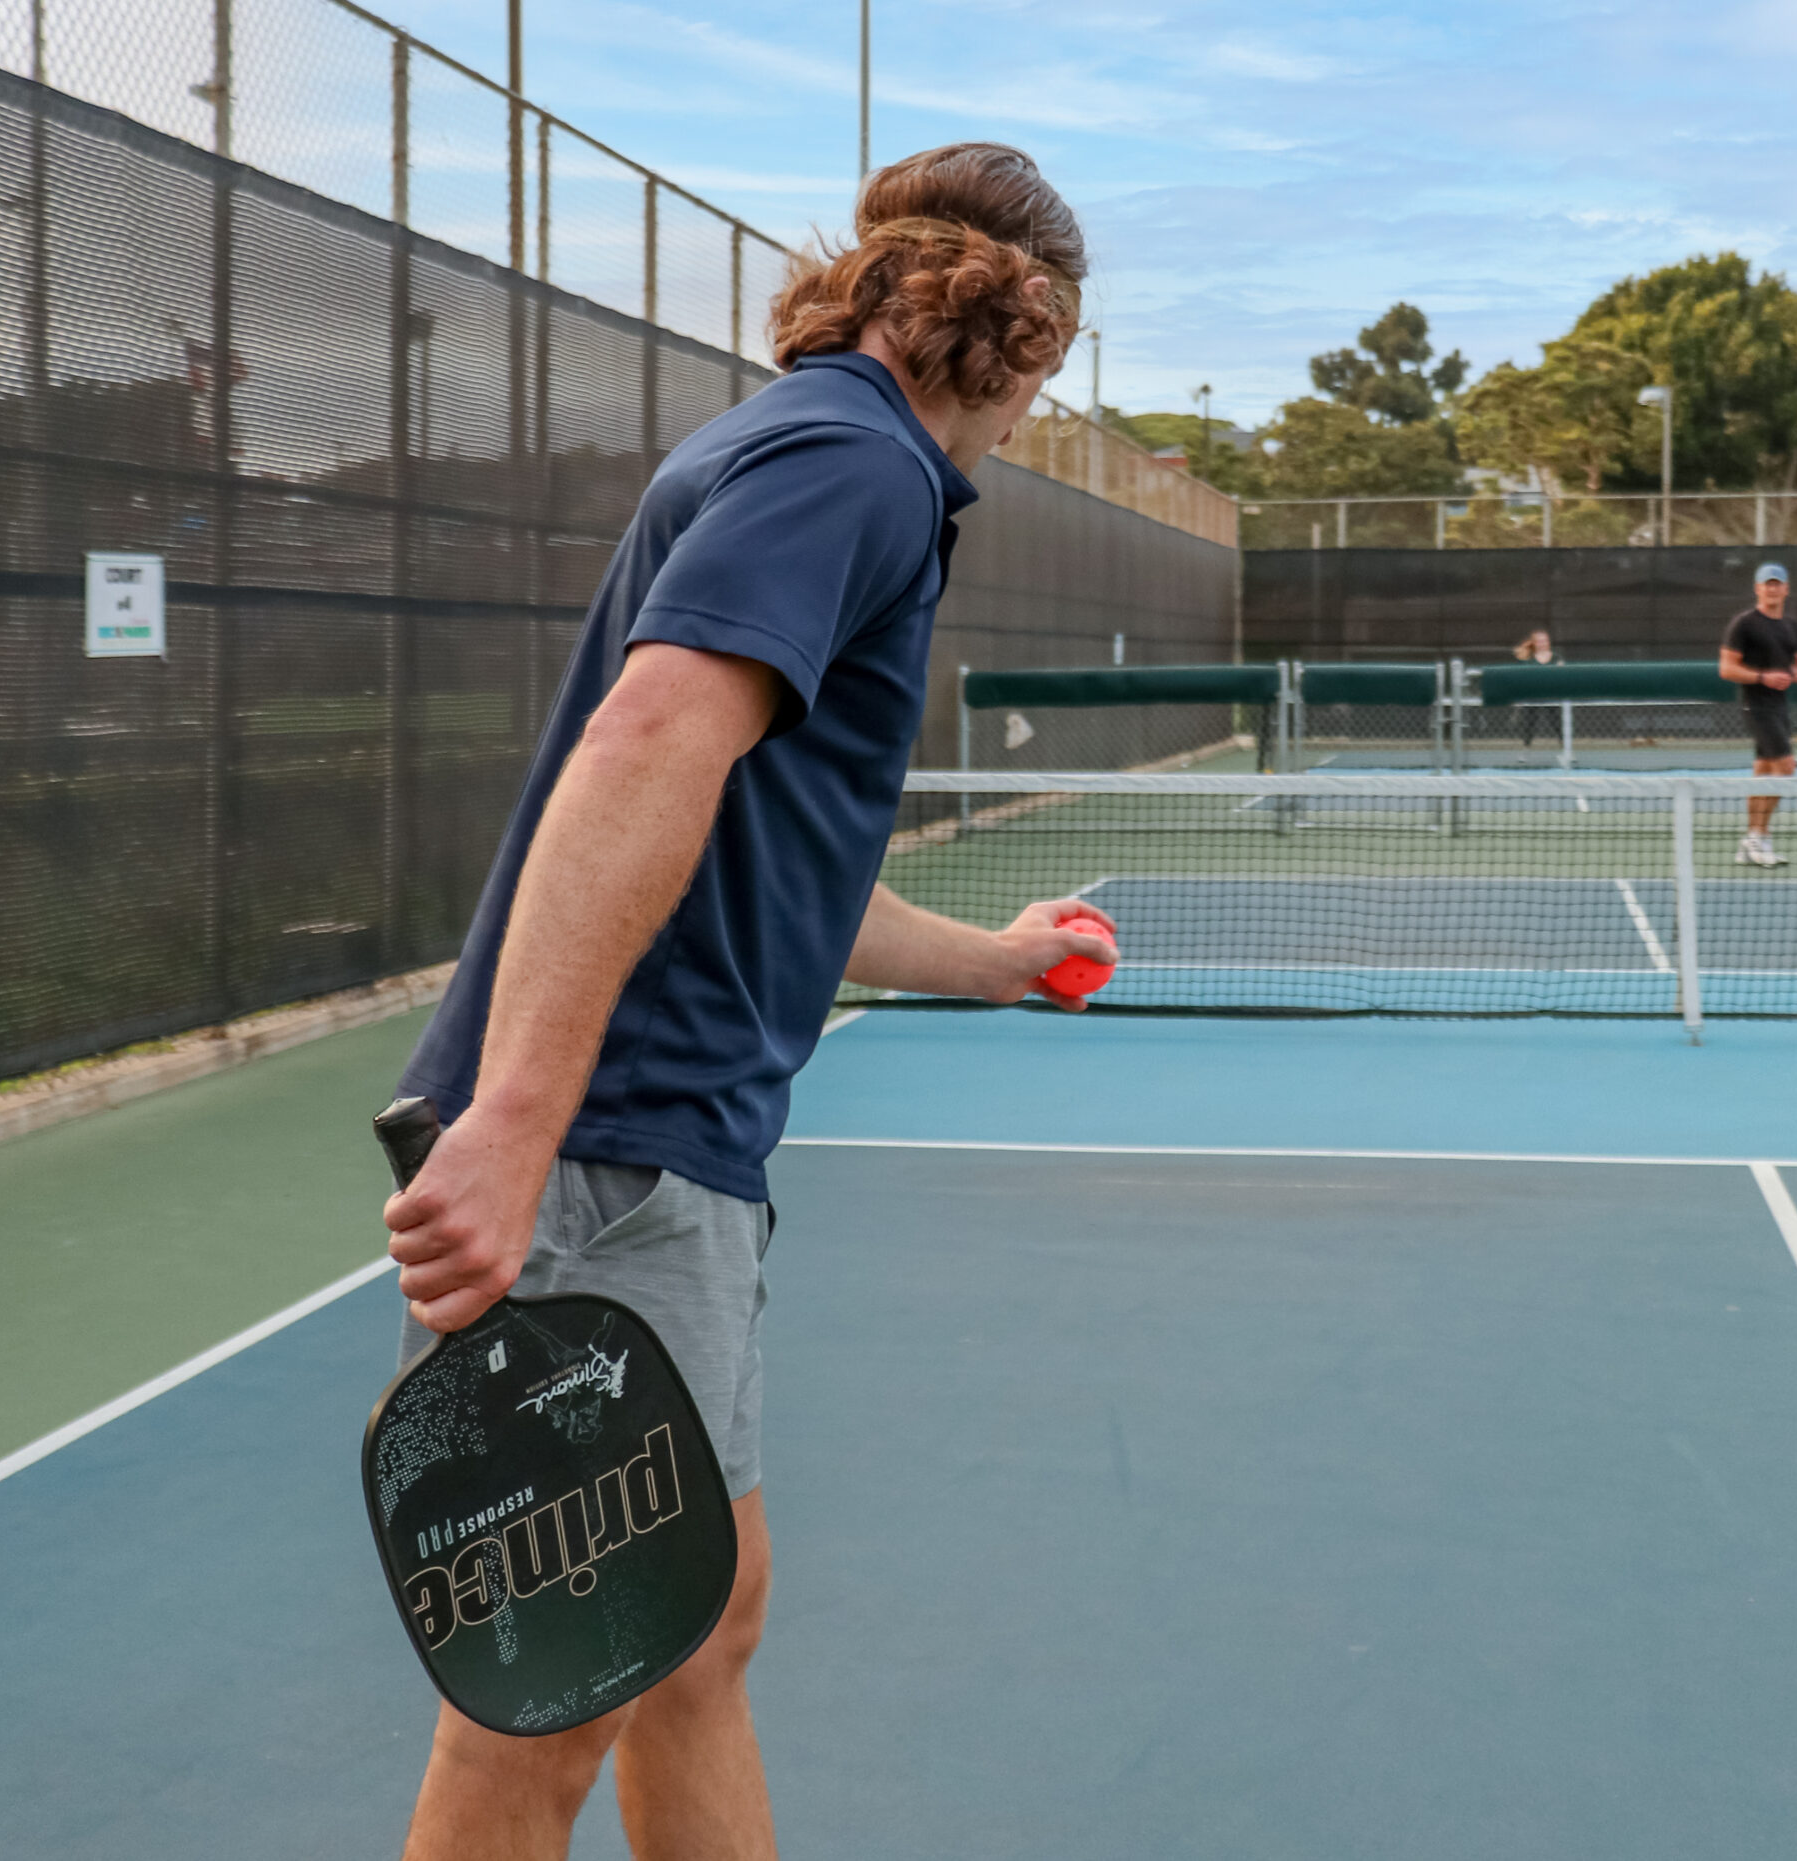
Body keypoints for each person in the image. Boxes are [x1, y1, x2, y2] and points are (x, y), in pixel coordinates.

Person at [378, 144, 1114, 1861]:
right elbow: (648, 746)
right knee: (546, 1707)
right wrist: (518, 1120)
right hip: (609, 1155)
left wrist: (997, 960)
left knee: (703, 1627)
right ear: (1036, 344)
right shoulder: (853, 464)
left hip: (656, 1147)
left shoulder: (804, 448)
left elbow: (771, 857)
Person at [1717, 563, 1797, 866]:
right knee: (1786, 769)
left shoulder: (1791, 626)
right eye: (1766, 584)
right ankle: (1759, 837)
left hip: (1780, 706)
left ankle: (1751, 842)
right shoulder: (1743, 624)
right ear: (1758, 588)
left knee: (1763, 774)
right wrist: (1762, 677)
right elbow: (1727, 669)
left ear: (1786, 589)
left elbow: (1796, 665)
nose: (1772, 588)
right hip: (1756, 706)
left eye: (1777, 583)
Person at [1513, 627, 1556, 748]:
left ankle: (1566, 748)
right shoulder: (1528, 659)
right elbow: (1520, 671)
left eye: (1545, 640)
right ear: (1534, 643)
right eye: (1539, 641)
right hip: (1533, 696)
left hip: (1551, 696)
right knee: (1529, 724)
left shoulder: (1556, 657)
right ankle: (1526, 748)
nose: (1543, 644)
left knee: (1557, 722)